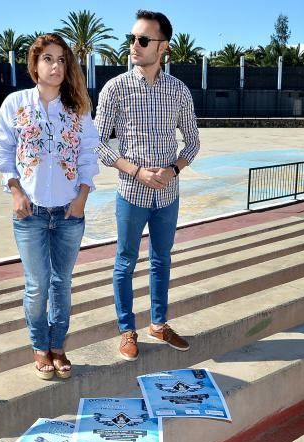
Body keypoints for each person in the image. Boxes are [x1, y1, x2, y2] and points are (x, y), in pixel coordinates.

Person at [94, 10, 201, 361]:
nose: (134, 46)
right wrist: (136, 171)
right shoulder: (116, 89)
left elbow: (193, 143)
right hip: (131, 194)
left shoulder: (178, 91)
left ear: (163, 47)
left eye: (143, 40)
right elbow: (97, 143)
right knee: (125, 261)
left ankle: (159, 323)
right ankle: (127, 329)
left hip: (168, 196)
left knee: (162, 260)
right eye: (132, 39)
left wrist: (174, 169)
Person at [0, 34, 98, 380]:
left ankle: (58, 345)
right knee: (37, 284)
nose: (55, 66)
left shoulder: (77, 108)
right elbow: (3, 151)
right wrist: (15, 191)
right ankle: (40, 347)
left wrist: (81, 198)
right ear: (35, 64)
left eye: (61, 60)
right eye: (48, 59)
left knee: (61, 283)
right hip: (30, 213)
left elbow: (87, 155)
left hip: (68, 213)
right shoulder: (16, 104)